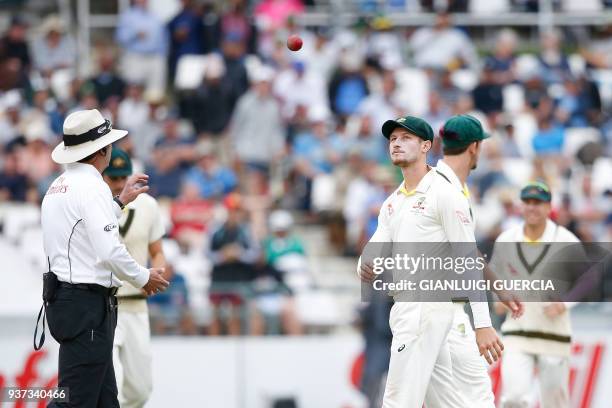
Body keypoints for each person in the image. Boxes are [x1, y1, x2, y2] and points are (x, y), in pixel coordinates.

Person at [357, 115, 500, 407]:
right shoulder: (393, 202)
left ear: (426, 146)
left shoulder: (444, 193)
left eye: (405, 138)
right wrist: (365, 265)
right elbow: (374, 251)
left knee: (398, 401)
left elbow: (466, 260)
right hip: (414, 309)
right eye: (393, 139)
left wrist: (483, 324)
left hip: (425, 309)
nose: (396, 143)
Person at [41, 109, 169, 407]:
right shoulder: (92, 187)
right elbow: (108, 250)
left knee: (104, 400)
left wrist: (120, 201)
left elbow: (83, 231)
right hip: (88, 306)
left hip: (70, 300)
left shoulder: (57, 186)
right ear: (101, 150)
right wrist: (143, 277)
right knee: (74, 400)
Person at [491, 182, 581, 408]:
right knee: (513, 399)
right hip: (516, 333)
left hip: (554, 336)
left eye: (538, 203)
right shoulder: (506, 239)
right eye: (528, 202)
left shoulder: (566, 240)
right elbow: (494, 279)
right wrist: (500, 301)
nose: (532, 208)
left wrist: (564, 304)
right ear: (521, 206)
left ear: (549, 206)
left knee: (555, 402)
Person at [102, 148, 167, 408]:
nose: (118, 185)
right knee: (111, 383)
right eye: (112, 178)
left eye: (122, 178)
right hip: (106, 303)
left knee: (140, 389)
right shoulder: (96, 204)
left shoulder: (149, 206)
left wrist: (158, 273)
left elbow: (157, 251)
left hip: (137, 304)